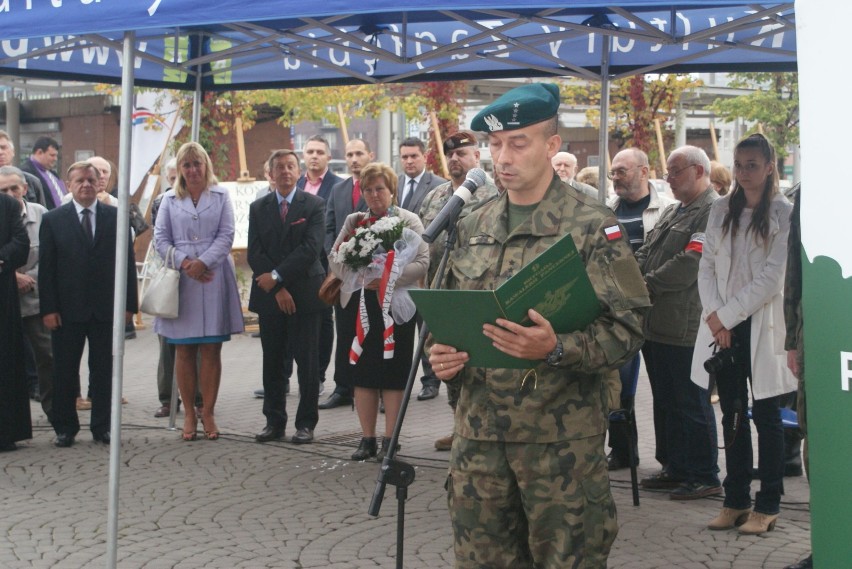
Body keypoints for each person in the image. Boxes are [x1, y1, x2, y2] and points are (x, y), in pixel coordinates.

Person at [429, 83, 649, 568]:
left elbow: (628, 329)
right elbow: (443, 316)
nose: (501, 157)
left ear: (552, 146)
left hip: (560, 447)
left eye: (518, 142)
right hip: (479, 440)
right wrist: (440, 355)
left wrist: (557, 347)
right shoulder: (471, 223)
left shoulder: (593, 224)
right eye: (494, 144)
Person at [692, 133, 795, 535]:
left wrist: (728, 317)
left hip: (759, 324)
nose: (744, 172)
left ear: (769, 167)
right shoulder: (720, 209)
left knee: (766, 416)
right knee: (731, 413)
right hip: (722, 323)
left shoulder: (785, 213)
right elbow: (706, 267)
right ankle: (735, 500)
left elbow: (773, 276)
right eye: (738, 164)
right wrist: (716, 316)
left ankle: (767, 505)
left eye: (752, 164)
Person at [633, 146, 721, 500]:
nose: (667, 178)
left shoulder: (712, 211)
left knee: (691, 401)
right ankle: (675, 466)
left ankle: (703, 473)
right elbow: (647, 250)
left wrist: (644, 283)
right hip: (657, 324)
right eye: (667, 172)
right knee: (666, 400)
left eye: (675, 171)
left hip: (685, 325)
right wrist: (630, 273)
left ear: (699, 171)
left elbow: (691, 264)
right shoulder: (673, 211)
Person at [328, 162, 429, 460]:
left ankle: (390, 440)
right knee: (362, 374)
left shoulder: (408, 220)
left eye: (380, 189)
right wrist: (360, 273)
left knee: (393, 374)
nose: (374, 195)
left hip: (394, 307)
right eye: (368, 189)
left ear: (392, 191)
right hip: (358, 305)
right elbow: (335, 259)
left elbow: (423, 263)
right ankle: (367, 439)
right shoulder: (354, 220)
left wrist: (386, 276)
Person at [39, 161, 137, 447]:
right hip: (66, 310)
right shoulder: (53, 220)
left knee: (103, 370)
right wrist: (48, 308)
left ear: (99, 184)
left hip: (106, 309)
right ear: (69, 185)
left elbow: (127, 264)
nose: (86, 185)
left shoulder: (115, 217)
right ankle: (65, 427)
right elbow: (47, 268)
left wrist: (129, 304)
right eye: (80, 181)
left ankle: (102, 427)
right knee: (65, 371)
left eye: (91, 180)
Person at [153, 142, 244, 441]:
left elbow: (227, 233)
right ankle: (189, 412)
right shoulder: (168, 199)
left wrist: (204, 261)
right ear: (179, 169)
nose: (192, 170)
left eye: (197, 164)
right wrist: (186, 263)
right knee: (184, 348)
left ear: (206, 165)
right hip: (182, 280)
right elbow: (161, 239)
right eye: (186, 165)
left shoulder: (221, 196)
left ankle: (209, 412)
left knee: (211, 348)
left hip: (214, 274)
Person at [418, 129, 498, 449]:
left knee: (478, 364)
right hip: (441, 290)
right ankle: (459, 426)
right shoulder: (436, 197)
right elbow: (426, 242)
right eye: (450, 154)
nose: (455, 159)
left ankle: (484, 429)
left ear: (476, 158)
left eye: (462, 153)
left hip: (475, 292)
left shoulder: (492, 195)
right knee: (448, 361)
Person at [605, 147, 676, 471]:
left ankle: (670, 458)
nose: (615, 177)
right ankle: (622, 452)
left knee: (664, 386)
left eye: (622, 171)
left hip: (656, 309)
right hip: (617, 311)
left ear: (644, 172)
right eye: (613, 172)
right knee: (618, 383)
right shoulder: (606, 210)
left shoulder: (667, 211)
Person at [249, 149, 326, 445]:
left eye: (290, 166)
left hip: (305, 294)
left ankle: (306, 423)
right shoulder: (258, 208)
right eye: (279, 167)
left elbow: (311, 248)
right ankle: (273, 421)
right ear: (270, 174)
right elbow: (255, 251)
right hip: (271, 296)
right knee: (273, 361)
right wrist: (276, 287)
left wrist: (279, 277)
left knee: (307, 362)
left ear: (299, 172)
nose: (284, 172)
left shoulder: (314, 205)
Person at [319, 138, 372, 410]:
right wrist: (335, 257)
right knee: (345, 329)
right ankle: (343, 387)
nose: (354, 159)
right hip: (343, 274)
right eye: (350, 154)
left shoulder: (378, 187)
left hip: (372, 274)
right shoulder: (338, 190)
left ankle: (374, 387)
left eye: (359, 153)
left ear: (369, 155)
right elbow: (329, 227)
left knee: (371, 330)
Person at [1, 166, 55, 423]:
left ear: (24, 188)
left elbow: (50, 255)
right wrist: (13, 276)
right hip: (6, 300)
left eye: (14, 188)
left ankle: (56, 414)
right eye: (4, 190)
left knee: (47, 357)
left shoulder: (41, 214)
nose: (10, 194)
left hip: (35, 300)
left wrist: (29, 279)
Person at [782, 185, 811, 569]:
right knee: (818, 444)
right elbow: (796, 267)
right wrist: (792, 337)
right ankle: (828, 538)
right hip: (817, 336)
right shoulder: (808, 192)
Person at [0, 189, 31, 452]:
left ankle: (5, 432)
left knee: (4, 360)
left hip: (2, 295)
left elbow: (21, 243)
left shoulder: (8, 205)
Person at [397, 137, 446, 215]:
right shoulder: (393, 183)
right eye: (405, 157)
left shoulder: (439, 185)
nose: (409, 161)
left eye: (414, 156)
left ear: (425, 157)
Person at [0, 130, 46, 207]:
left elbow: (42, 216)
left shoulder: (32, 182)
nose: (0, 152)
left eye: (3, 147)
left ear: (13, 151)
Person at [21, 136, 66, 210]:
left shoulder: (53, 174)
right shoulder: (25, 173)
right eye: (52, 155)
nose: (55, 159)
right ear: (39, 152)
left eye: (56, 155)